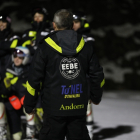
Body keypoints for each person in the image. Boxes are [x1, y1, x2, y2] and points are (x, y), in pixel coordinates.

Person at [24, 9, 105, 140]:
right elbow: (97, 74)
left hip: (54, 108)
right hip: (78, 106)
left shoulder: (45, 47)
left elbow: (34, 78)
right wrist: (96, 97)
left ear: (54, 25)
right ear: (72, 25)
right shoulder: (85, 45)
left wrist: (29, 104)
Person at [0, 46, 38, 140]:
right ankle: (2, 134)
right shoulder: (6, 71)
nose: (17, 59)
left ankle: (31, 134)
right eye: (15, 56)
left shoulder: (32, 71)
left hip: (26, 105)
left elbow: (37, 90)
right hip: (11, 106)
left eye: (20, 57)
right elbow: (2, 94)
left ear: (26, 58)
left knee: (29, 101)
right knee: (16, 136)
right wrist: (6, 88)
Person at [73, 11, 95, 139]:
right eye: (72, 23)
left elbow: (87, 54)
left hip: (84, 76)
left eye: (76, 22)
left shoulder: (88, 37)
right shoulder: (66, 36)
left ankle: (90, 133)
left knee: (86, 105)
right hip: (70, 76)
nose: (74, 25)